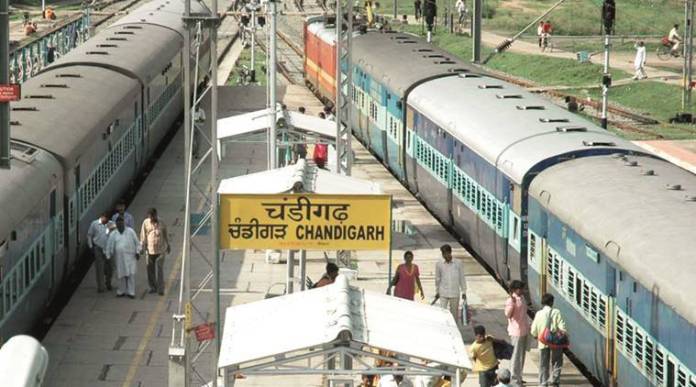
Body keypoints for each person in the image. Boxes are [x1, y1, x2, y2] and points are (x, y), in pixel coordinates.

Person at [530, 293, 567, 387]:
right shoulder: (556, 312)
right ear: (551, 302)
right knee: (557, 361)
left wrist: (536, 336)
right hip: (555, 342)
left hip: (543, 342)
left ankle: (543, 382)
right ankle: (555, 381)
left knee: (543, 363)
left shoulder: (539, 313)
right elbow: (562, 328)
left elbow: (533, 330)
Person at [105, 217, 141, 299]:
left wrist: (138, 252)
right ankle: (121, 291)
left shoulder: (130, 232)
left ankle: (131, 292)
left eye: (121, 223)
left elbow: (137, 243)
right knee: (121, 275)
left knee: (131, 275)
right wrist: (108, 256)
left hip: (131, 257)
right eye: (118, 224)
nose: (120, 225)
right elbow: (109, 246)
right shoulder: (113, 234)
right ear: (116, 225)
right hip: (119, 259)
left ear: (124, 223)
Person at [504, 280, 529, 387]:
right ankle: (514, 379)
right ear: (515, 290)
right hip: (516, 331)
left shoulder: (522, 298)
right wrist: (512, 304)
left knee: (521, 356)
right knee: (515, 356)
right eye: (521, 288)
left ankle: (519, 377)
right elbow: (508, 315)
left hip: (524, 330)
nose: (523, 290)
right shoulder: (510, 300)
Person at [140, 208, 170, 295]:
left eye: (153, 216)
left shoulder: (162, 222)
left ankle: (161, 289)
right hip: (149, 250)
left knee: (160, 270)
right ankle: (152, 287)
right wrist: (142, 247)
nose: (152, 219)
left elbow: (165, 234)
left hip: (160, 250)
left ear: (156, 215)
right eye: (150, 217)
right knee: (150, 269)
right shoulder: (146, 223)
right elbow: (143, 236)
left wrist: (168, 245)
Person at [435, 244, 467, 325]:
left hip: (454, 293)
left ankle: (454, 329)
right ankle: (443, 327)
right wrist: (437, 291)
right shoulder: (439, 264)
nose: (445, 255)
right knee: (442, 312)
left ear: (450, 253)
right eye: (443, 254)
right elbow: (437, 278)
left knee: (454, 314)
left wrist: (464, 291)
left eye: (446, 253)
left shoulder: (458, 263)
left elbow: (462, 278)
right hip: (443, 292)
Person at [87, 212, 113, 292]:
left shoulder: (111, 224)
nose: (106, 221)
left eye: (107, 220)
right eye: (105, 219)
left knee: (110, 267)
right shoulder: (94, 224)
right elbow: (89, 235)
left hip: (108, 249)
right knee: (99, 269)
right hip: (98, 248)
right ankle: (100, 287)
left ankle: (108, 282)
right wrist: (91, 246)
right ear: (102, 217)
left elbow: (116, 234)